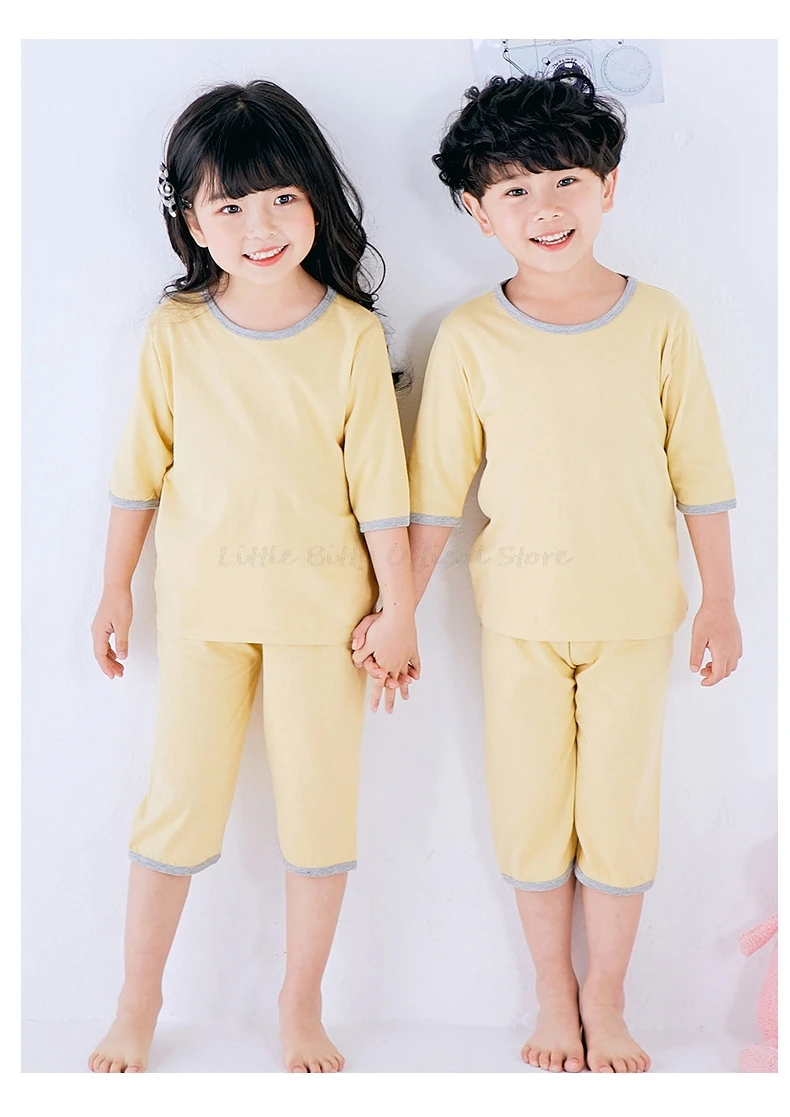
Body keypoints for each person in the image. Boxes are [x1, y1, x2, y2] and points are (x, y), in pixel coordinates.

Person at [353, 73, 743, 1072]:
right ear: (475, 210)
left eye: (566, 178)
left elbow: (700, 472)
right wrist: (397, 612)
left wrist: (722, 599)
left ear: (607, 186)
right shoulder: (470, 338)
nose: (545, 207)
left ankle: (607, 995)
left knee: (619, 817)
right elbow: (435, 496)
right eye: (514, 189)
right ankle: (551, 992)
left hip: (634, 617)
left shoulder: (660, 321)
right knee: (530, 811)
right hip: (519, 621)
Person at [88, 79, 419, 1074]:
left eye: (280, 197)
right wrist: (113, 587)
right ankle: (137, 1000)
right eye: (229, 205)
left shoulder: (351, 336)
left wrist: (399, 609)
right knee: (177, 805)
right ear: (193, 222)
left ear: (315, 199)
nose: (260, 225)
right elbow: (138, 473)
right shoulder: (177, 332)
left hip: (325, 621)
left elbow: (382, 494)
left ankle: (299, 1002)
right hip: (204, 614)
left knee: (320, 813)